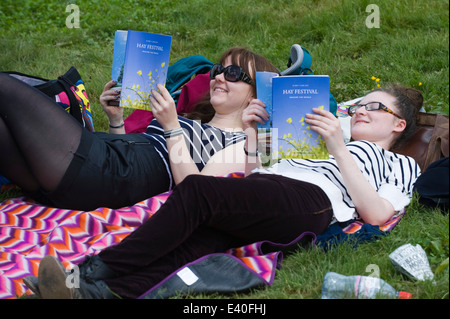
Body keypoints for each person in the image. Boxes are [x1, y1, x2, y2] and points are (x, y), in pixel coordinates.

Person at [34, 85, 422, 299]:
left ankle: (93, 269)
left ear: (398, 124)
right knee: (193, 245)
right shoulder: (316, 137)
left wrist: (339, 148)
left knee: (200, 193)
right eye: (358, 105)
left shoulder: (400, 164)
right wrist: (253, 135)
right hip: (263, 190)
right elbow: (256, 168)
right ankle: (95, 294)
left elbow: (375, 214)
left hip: (312, 201)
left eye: (374, 107)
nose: (360, 111)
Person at [0, 47, 279, 211]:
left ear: (257, 93)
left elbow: (196, 190)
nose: (218, 76)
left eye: (233, 74)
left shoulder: (245, 143)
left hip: (110, 176)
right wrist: (116, 120)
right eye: (218, 69)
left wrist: (171, 127)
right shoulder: (196, 121)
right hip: (105, 168)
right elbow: (134, 154)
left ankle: (71, 101)